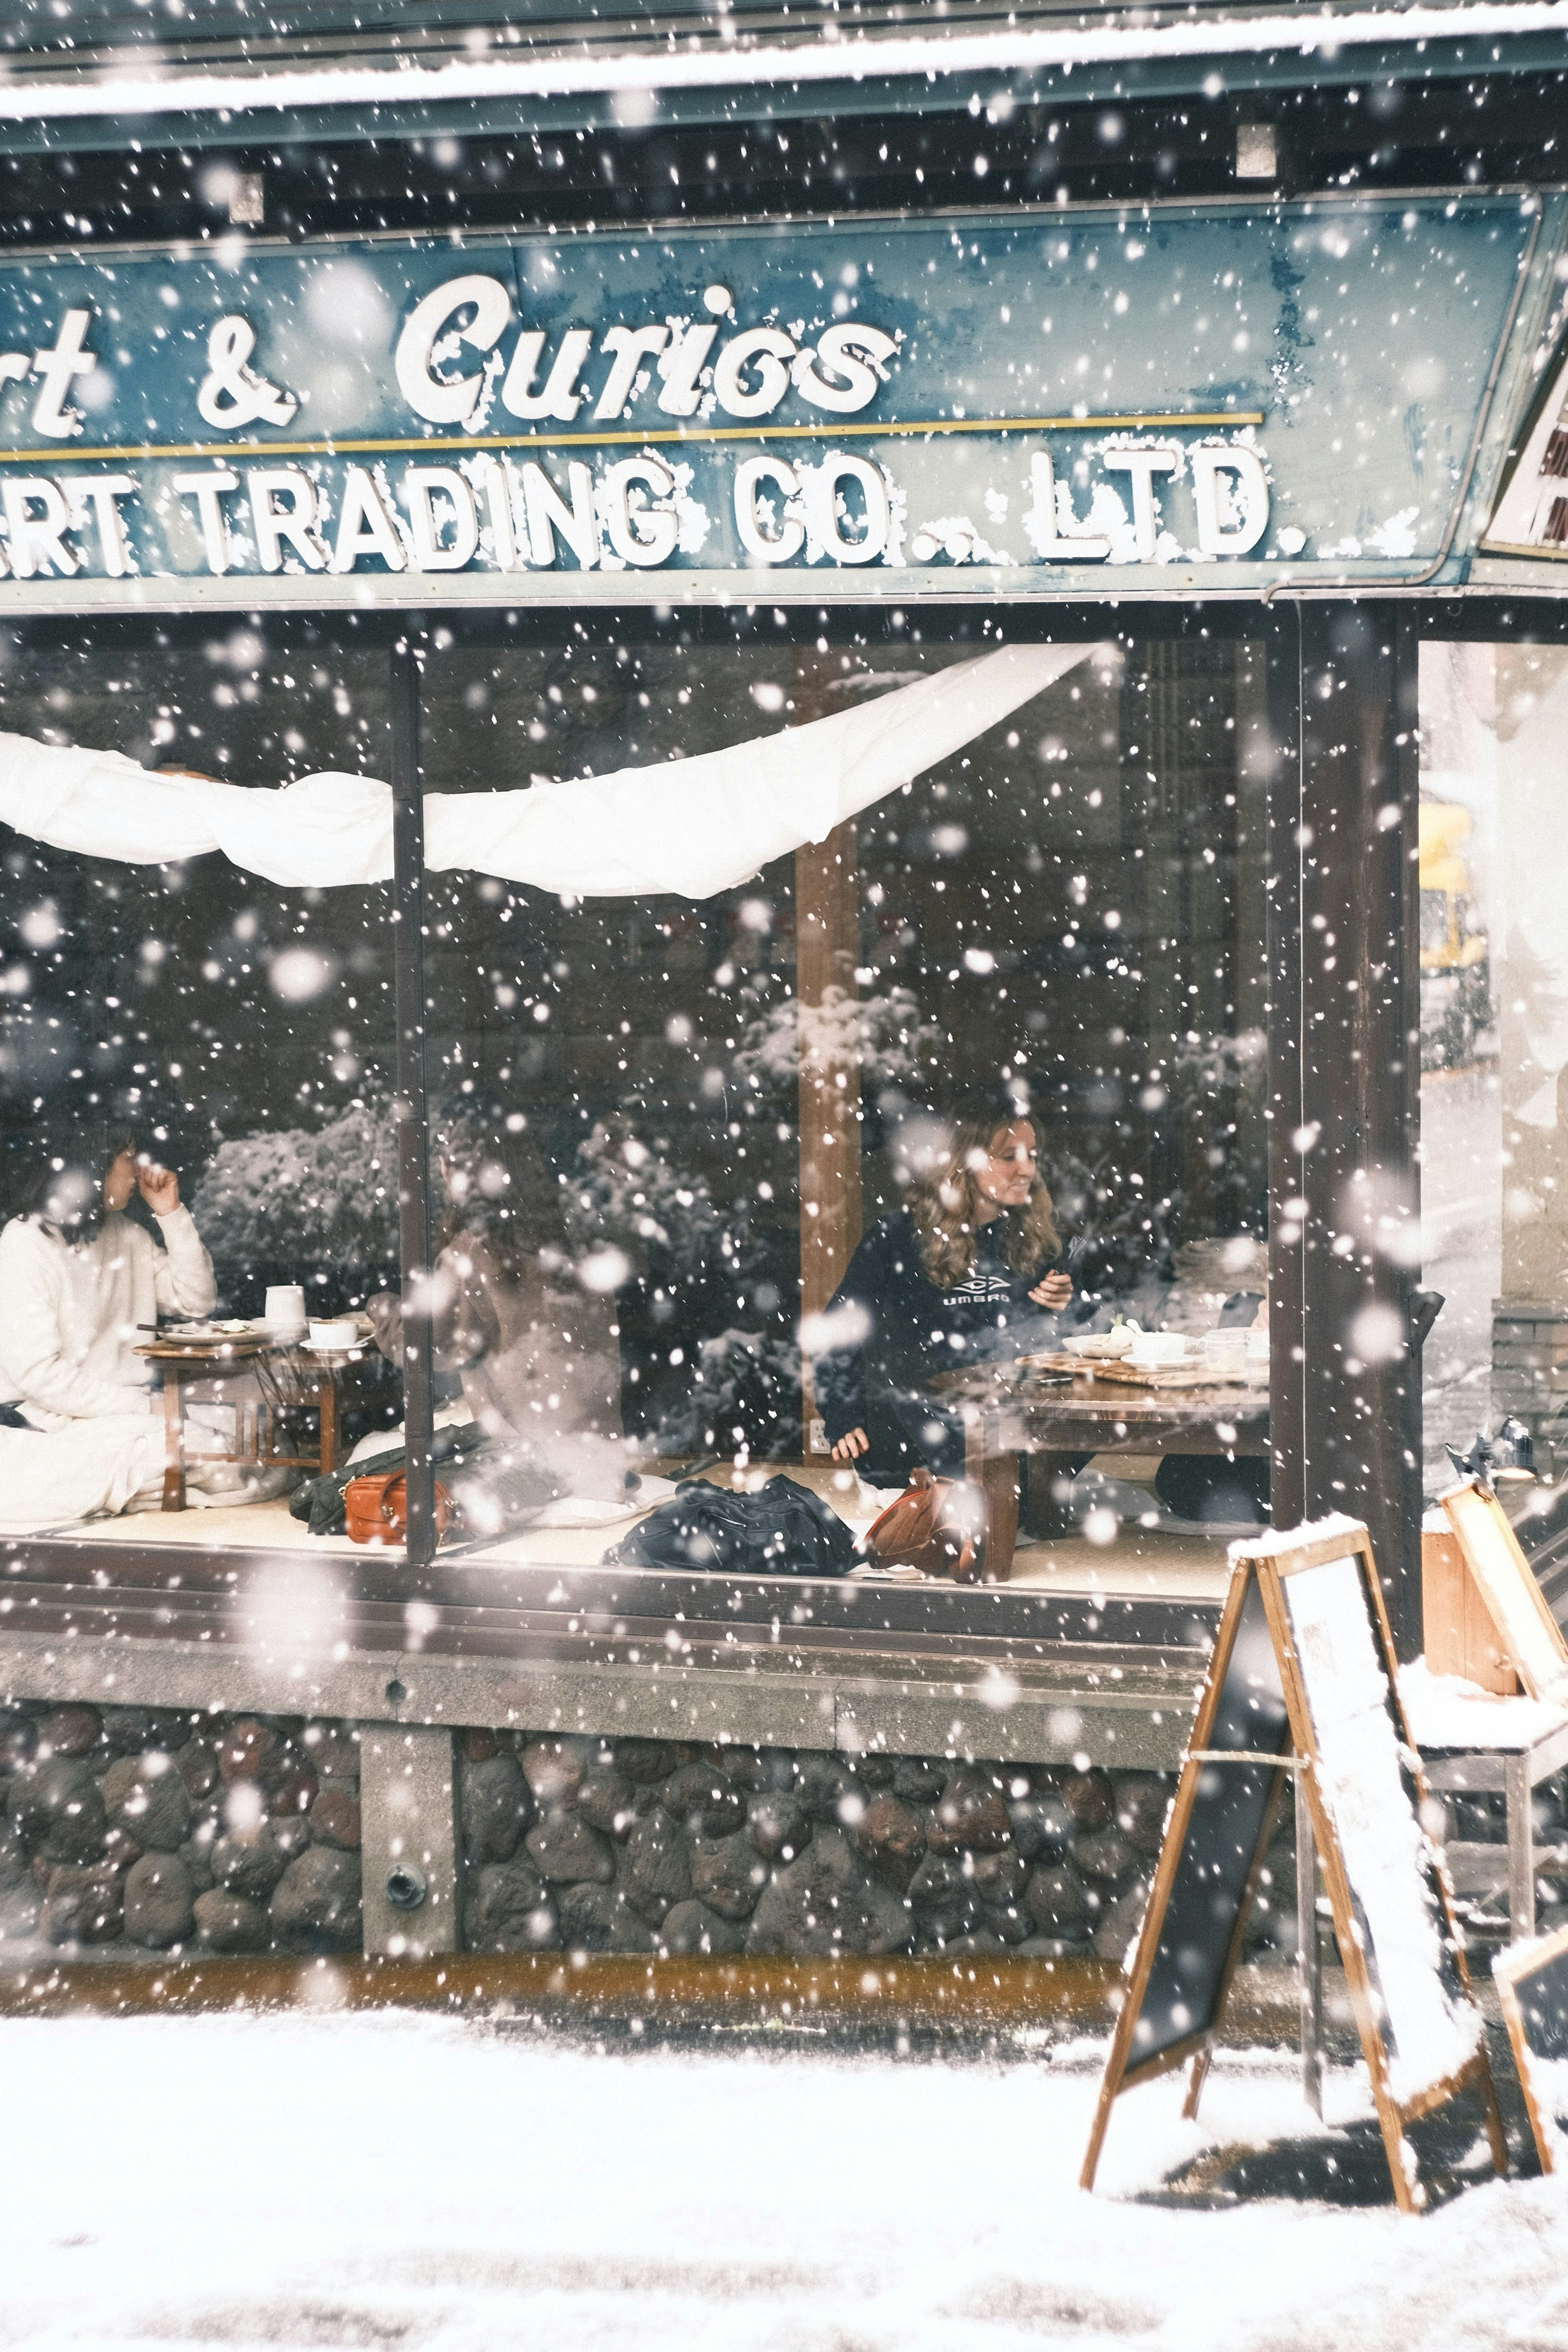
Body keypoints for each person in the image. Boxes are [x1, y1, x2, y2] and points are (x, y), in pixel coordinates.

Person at [810, 1107, 1073, 1487]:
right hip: (912, 1426)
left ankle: (1004, 1492)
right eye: (1009, 1157)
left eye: (1032, 1155)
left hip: (1001, 1421)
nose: (1027, 1169)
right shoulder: (896, 1237)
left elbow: (1045, 1339)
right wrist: (841, 1413)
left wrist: (1060, 1299)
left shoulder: (1035, 1238)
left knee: (1086, 1425)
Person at [367, 1115, 622, 1482]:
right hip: (601, 1451)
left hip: (534, 1464)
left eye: (445, 1160)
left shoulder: (473, 1252)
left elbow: (420, 1346)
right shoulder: (574, 1238)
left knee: (372, 1465)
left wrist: (382, 1307)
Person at [0, 1134, 220, 1524]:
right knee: (203, 1451)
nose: (137, 1169)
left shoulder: (126, 1234)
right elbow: (38, 1376)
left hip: (125, 1417)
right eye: (127, 1157)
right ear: (93, 1163)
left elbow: (196, 1300)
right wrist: (144, 1406)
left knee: (243, 1441)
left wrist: (171, 1213)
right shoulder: (25, 1242)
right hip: (45, 1420)